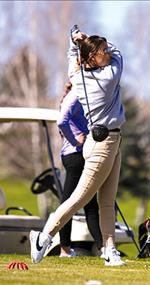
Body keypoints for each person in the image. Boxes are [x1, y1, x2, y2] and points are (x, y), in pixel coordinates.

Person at [30, 26, 126, 266]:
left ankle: (109, 249)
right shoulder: (109, 76)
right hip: (103, 144)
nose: (107, 52)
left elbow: (72, 61)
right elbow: (119, 55)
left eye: (105, 48)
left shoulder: (78, 78)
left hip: (110, 140)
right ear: (92, 58)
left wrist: (76, 44)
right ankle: (44, 237)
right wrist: (83, 41)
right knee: (79, 198)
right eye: (102, 50)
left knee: (106, 200)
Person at [56, 81, 103, 257]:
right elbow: (62, 123)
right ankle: (65, 249)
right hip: (76, 156)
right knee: (69, 203)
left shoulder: (78, 98)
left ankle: (103, 247)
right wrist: (76, 141)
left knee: (90, 204)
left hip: (75, 156)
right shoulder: (77, 96)